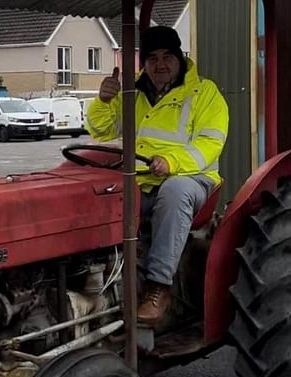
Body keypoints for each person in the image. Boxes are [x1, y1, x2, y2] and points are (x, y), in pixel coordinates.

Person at [86, 26, 229, 323]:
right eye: (152, 58)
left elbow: (209, 144)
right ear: (144, 64)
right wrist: (103, 100)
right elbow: (102, 130)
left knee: (175, 191)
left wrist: (171, 161)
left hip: (193, 180)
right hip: (141, 181)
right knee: (92, 192)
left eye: (167, 56)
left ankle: (158, 287)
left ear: (180, 58)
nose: (160, 64)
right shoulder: (133, 94)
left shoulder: (205, 93)